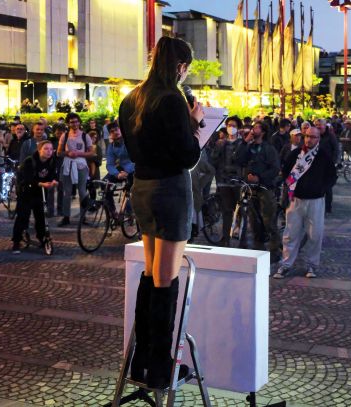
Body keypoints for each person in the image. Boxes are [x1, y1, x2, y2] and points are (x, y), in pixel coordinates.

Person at [118, 36, 203, 388]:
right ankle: (161, 366)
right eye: (186, 69)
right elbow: (188, 157)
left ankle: (141, 361)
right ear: (180, 66)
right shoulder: (171, 100)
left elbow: (135, 146)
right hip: (170, 190)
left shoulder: (132, 97)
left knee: (151, 273)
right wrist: (196, 123)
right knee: (165, 280)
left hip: (142, 188)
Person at [274, 126, 337, 279]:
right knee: (290, 234)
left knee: (315, 235)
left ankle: (312, 265)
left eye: (313, 137)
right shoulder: (295, 154)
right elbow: (286, 172)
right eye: (307, 136)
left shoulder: (323, 156)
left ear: (318, 139)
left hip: (315, 201)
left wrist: (321, 189)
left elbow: (332, 177)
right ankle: (286, 264)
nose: (309, 139)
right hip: (295, 200)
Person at [235, 120, 282, 260]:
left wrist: (259, 177)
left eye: (256, 128)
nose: (253, 130)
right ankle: (258, 250)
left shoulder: (269, 149)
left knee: (269, 221)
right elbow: (238, 159)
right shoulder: (249, 147)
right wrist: (244, 142)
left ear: (263, 132)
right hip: (250, 189)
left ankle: (274, 252)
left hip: (264, 187)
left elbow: (274, 168)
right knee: (254, 221)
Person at [11, 140, 58, 254]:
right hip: (26, 192)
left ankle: (42, 238)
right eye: (46, 149)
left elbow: (53, 174)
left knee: (41, 217)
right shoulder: (29, 161)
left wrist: (54, 181)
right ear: (39, 150)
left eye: (51, 149)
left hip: (40, 193)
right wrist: (41, 183)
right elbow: (27, 179)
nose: (49, 152)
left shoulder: (51, 161)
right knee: (23, 217)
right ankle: (16, 242)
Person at [56, 113, 95, 227]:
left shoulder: (85, 136)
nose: (74, 124)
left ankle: (83, 217)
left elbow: (91, 152)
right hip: (68, 164)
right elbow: (58, 152)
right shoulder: (65, 135)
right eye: (72, 122)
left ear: (79, 122)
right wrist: (67, 153)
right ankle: (66, 217)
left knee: (82, 191)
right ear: (68, 123)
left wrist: (79, 153)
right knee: (66, 192)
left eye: (76, 121)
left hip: (81, 165)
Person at [210, 116, 243, 246]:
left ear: (238, 128)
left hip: (238, 182)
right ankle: (226, 238)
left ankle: (240, 234)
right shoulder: (220, 143)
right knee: (227, 210)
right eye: (229, 125)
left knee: (241, 210)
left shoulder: (242, 144)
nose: (231, 128)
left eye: (234, 125)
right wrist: (219, 147)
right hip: (224, 181)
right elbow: (213, 159)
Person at [103, 121, 135, 213]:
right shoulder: (111, 146)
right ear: (110, 134)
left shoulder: (129, 141)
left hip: (133, 169)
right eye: (112, 131)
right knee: (104, 184)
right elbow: (109, 164)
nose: (115, 132)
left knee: (129, 188)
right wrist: (117, 174)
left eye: (116, 129)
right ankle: (112, 212)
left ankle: (129, 213)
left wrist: (127, 171)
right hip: (120, 171)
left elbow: (135, 159)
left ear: (120, 129)